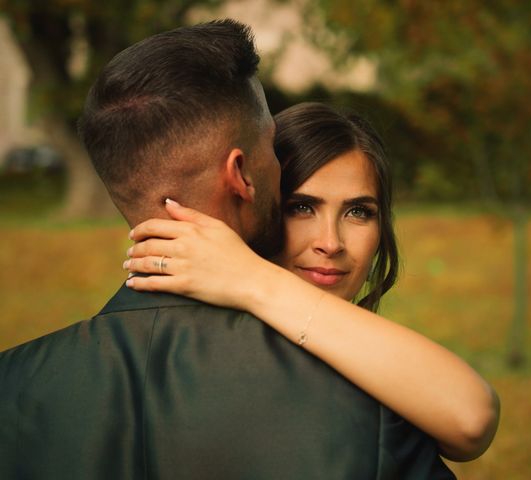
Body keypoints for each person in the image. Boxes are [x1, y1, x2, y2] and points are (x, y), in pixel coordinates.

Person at [0, 21, 457, 479]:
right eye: (270, 150)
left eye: (359, 212)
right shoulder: (369, 404)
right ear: (240, 173)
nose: (329, 242)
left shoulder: (13, 385)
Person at [124, 102, 500, 462]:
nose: (331, 243)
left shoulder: (375, 363)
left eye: (358, 212)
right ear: (258, 207)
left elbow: (471, 419)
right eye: (301, 207)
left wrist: (253, 278)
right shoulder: (213, 358)